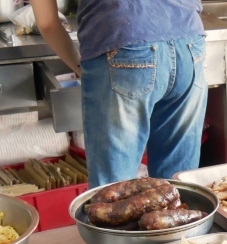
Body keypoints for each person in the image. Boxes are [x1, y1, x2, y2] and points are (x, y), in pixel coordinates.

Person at [31, 0, 208, 187]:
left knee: (114, 191)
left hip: (122, 42)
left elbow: (47, 23)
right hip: (189, 42)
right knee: (177, 186)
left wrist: (81, 68)